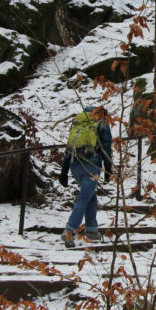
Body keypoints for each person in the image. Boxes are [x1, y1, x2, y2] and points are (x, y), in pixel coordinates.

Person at [59, 106, 113, 247]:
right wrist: (108, 168)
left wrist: (64, 171)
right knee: (84, 197)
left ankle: (91, 230)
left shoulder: (78, 122)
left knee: (90, 195)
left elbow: (69, 147)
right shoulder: (101, 123)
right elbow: (106, 146)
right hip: (91, 164)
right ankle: (69, 230)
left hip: (74, 163)